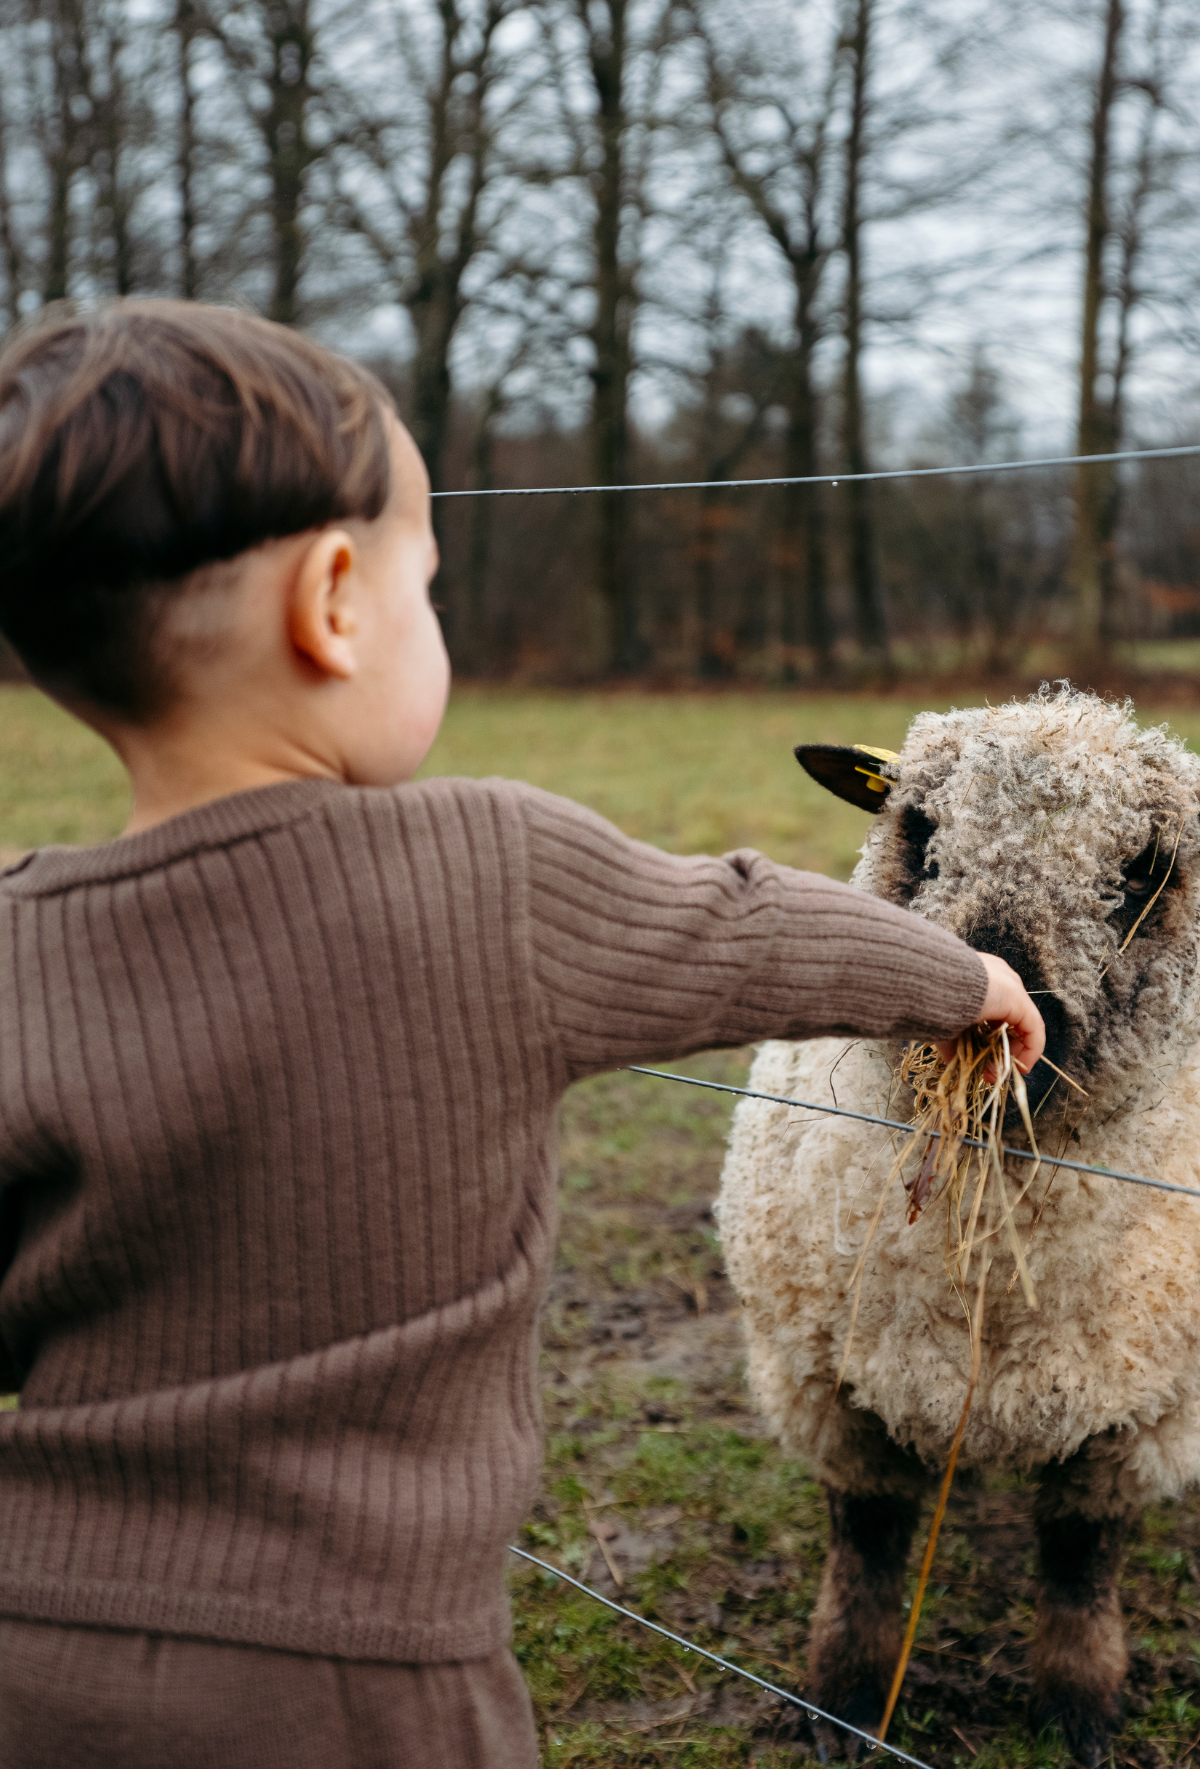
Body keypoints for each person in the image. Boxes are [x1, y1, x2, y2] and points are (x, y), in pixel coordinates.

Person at [0, 301, 1044, 1769]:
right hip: (367, 1676)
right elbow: (749, 926)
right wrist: (962, 982)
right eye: (433, 589)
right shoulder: (490, 868)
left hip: (35, 1648)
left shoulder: (14, 943)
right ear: (339, 600)